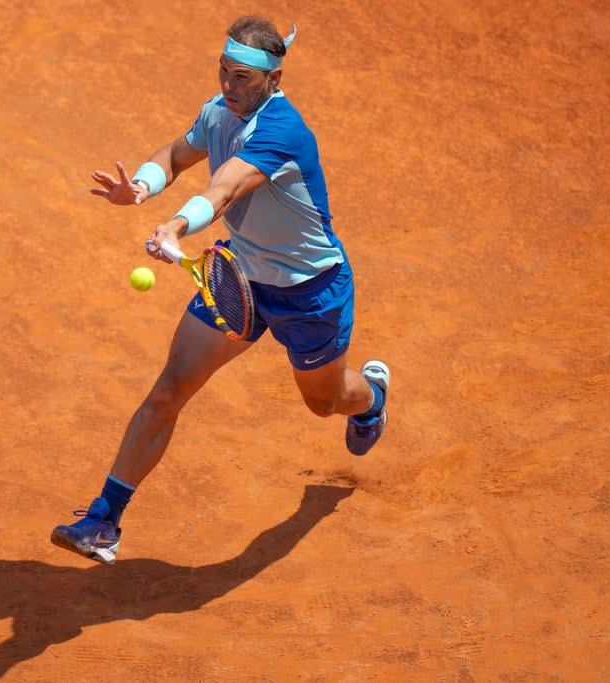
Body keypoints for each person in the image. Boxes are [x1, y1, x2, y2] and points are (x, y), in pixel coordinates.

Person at [50, 16, 390, 565]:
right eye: (224, 73)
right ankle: (103, 520)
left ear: (273, 78)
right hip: (242, 279)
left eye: (241, 78)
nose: (228, 86)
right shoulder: (218, 111)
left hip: (310, 290)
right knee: (169, 390)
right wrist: (140, 187)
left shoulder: (282, 131)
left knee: (324, 402)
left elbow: (223, 190)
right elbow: (177, 154)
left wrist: (176, 228)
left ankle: (372, 397)